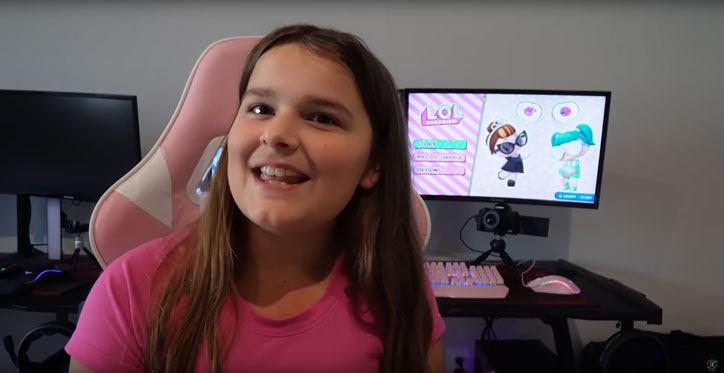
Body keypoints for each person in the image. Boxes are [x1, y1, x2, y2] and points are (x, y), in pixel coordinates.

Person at [65, 24, 445, 372]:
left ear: (373, 164)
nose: (276, 134)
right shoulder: (129, 292)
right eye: (261, 108)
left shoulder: (398, 286)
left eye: (322, 118)